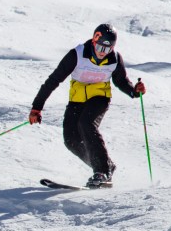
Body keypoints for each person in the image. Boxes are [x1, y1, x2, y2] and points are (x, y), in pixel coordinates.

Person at [28, 24, 146, 189]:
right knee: (71, 140)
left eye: (107, 49)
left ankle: (102, 172)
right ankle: (106, 166)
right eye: (100, 47)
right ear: (94, 41)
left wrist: (134, 91)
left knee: (86, 124)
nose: (102, 52)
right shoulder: (77, 54)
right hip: (77, 100)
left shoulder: (115, 59)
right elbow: (53, 80)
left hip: (100, 98)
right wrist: (37, 107)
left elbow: (121, 81)